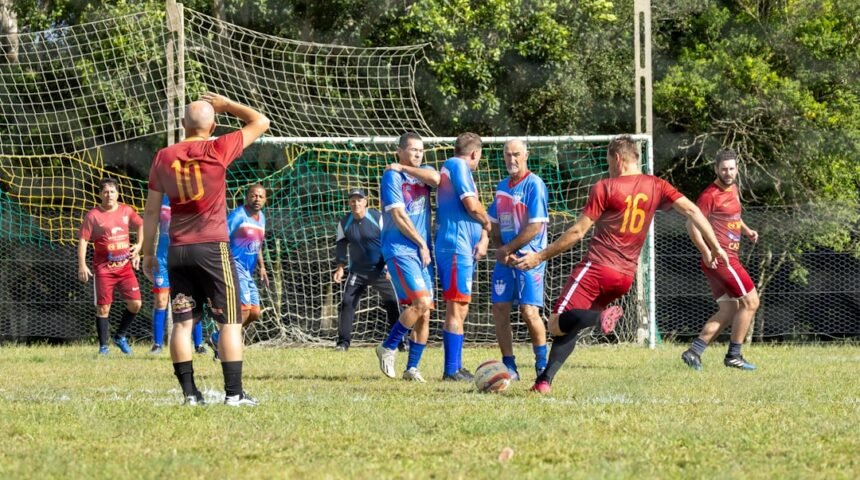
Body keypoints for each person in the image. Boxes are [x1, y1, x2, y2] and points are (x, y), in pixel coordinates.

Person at [515, 135, 729, 394]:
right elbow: (694, 211)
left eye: (608, 161)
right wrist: (715, 246)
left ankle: (600, 318)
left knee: (556, 322)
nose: (607, 167)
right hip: (624, 277)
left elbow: (577, 233)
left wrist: (539, 256)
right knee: (573, 325)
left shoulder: (605, 187)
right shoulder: (657, 185)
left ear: (617, 158)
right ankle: (543, 382)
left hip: (597, 269)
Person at [142, 92, 270, 406]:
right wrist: (227, 106)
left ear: (183, 124)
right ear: (213, 125)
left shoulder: (163, 156)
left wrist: (147, 252)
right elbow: (261, 121)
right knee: (229, 321)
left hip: (178, 251)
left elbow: (150, 211)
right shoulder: (218, 147)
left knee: (183, 323)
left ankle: (190, 395)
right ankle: (234, 394)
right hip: (212, 248)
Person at [681, 149, 760, 371]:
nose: (728, 173)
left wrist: (746, 230)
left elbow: (733, 215)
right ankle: (734, 355)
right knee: (751, 302)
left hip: (723, 259)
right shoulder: (709, 195)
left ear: (737, 169)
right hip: (723, 259)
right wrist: (706, 252)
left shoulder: (733, 188)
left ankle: (694, 352)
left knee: (729, 309)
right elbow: (691, 225)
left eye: (731, 169)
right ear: (716, 169)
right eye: (723, 169)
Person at [374, 132, 437, 383]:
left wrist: (405, 166)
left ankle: (412, 368)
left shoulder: (423, 171)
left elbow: (436, 178)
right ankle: (388, 346)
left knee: (426, 312)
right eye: (412, 150)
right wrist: (421, 243)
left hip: (421, 252)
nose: (418, 154)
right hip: (400, 249)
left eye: (421, 150)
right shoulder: (392, 176)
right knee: (420, 302)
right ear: (399, 151)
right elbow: (399, 216)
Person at [487, 140, 548, 381]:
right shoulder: (502, 187)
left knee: (528, 310)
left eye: (516, 155)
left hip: (529, 258)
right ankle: (509, 366)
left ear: (526, 155)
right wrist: (500, 248)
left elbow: (535, 226)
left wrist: (509, 249)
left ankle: (542, 365)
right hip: (506, 258)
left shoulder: (535, 185)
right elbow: (493, 221)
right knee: (499, 308)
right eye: (507, 155)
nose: (512, 159)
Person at [435, 132, 491, 381]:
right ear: (474, 153)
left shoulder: (450, 166)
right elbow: (471, 204)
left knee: (461, 305)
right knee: (456, 307)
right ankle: (451, 370)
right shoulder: (459, 166)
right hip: (456, 247)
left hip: (460, 246)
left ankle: (455, 366)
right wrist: (487, 223)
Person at [332, 187, 404, 352]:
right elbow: (341, 245)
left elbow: (389, 240)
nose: (356, 203)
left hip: (380, 270)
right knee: (346, 303)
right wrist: (340, 267)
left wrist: (389, 264)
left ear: (366, 202)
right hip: (357, 271)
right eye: (352, 200)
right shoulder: (344, 223)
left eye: (359, 200)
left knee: (393, 303)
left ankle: (400, 342)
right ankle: (343, 343)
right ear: (349, 203)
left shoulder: (377, 217)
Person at [78, 177, 143, 356]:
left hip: (125, 268)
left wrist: (138, 247)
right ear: (100, 194)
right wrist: (82, 264)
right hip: (104, 269)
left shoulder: (126, 211)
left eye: (112, 191)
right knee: (103, 308)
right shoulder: (93, 216)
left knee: (135, 304)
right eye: (105, 192)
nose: (109, 195)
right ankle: (103, 347)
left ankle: (120, 336)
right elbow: (83, 240)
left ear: (117, 194)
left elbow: (140, 225)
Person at [207, 183, 270, 360]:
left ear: (265, 200)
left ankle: (219, 338)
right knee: (243, 309)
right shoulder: (238, 215)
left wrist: (262, 267)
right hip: (234, 266)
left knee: (255, 312)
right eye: (253, 195)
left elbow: (258, 244)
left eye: (260, 196)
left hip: (248, 272)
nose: (256, 199)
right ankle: (224, 345)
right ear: (247, 196)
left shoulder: (262, 218)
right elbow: (221, 237)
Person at [150, 194, 206, 355]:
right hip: (162, 258)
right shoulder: (160, 198)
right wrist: (148, 253)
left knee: (191, 299)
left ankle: (199, 344)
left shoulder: (195, 197)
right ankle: (157, 344)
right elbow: (151, 224)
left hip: (186, 257)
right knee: (161, 299)